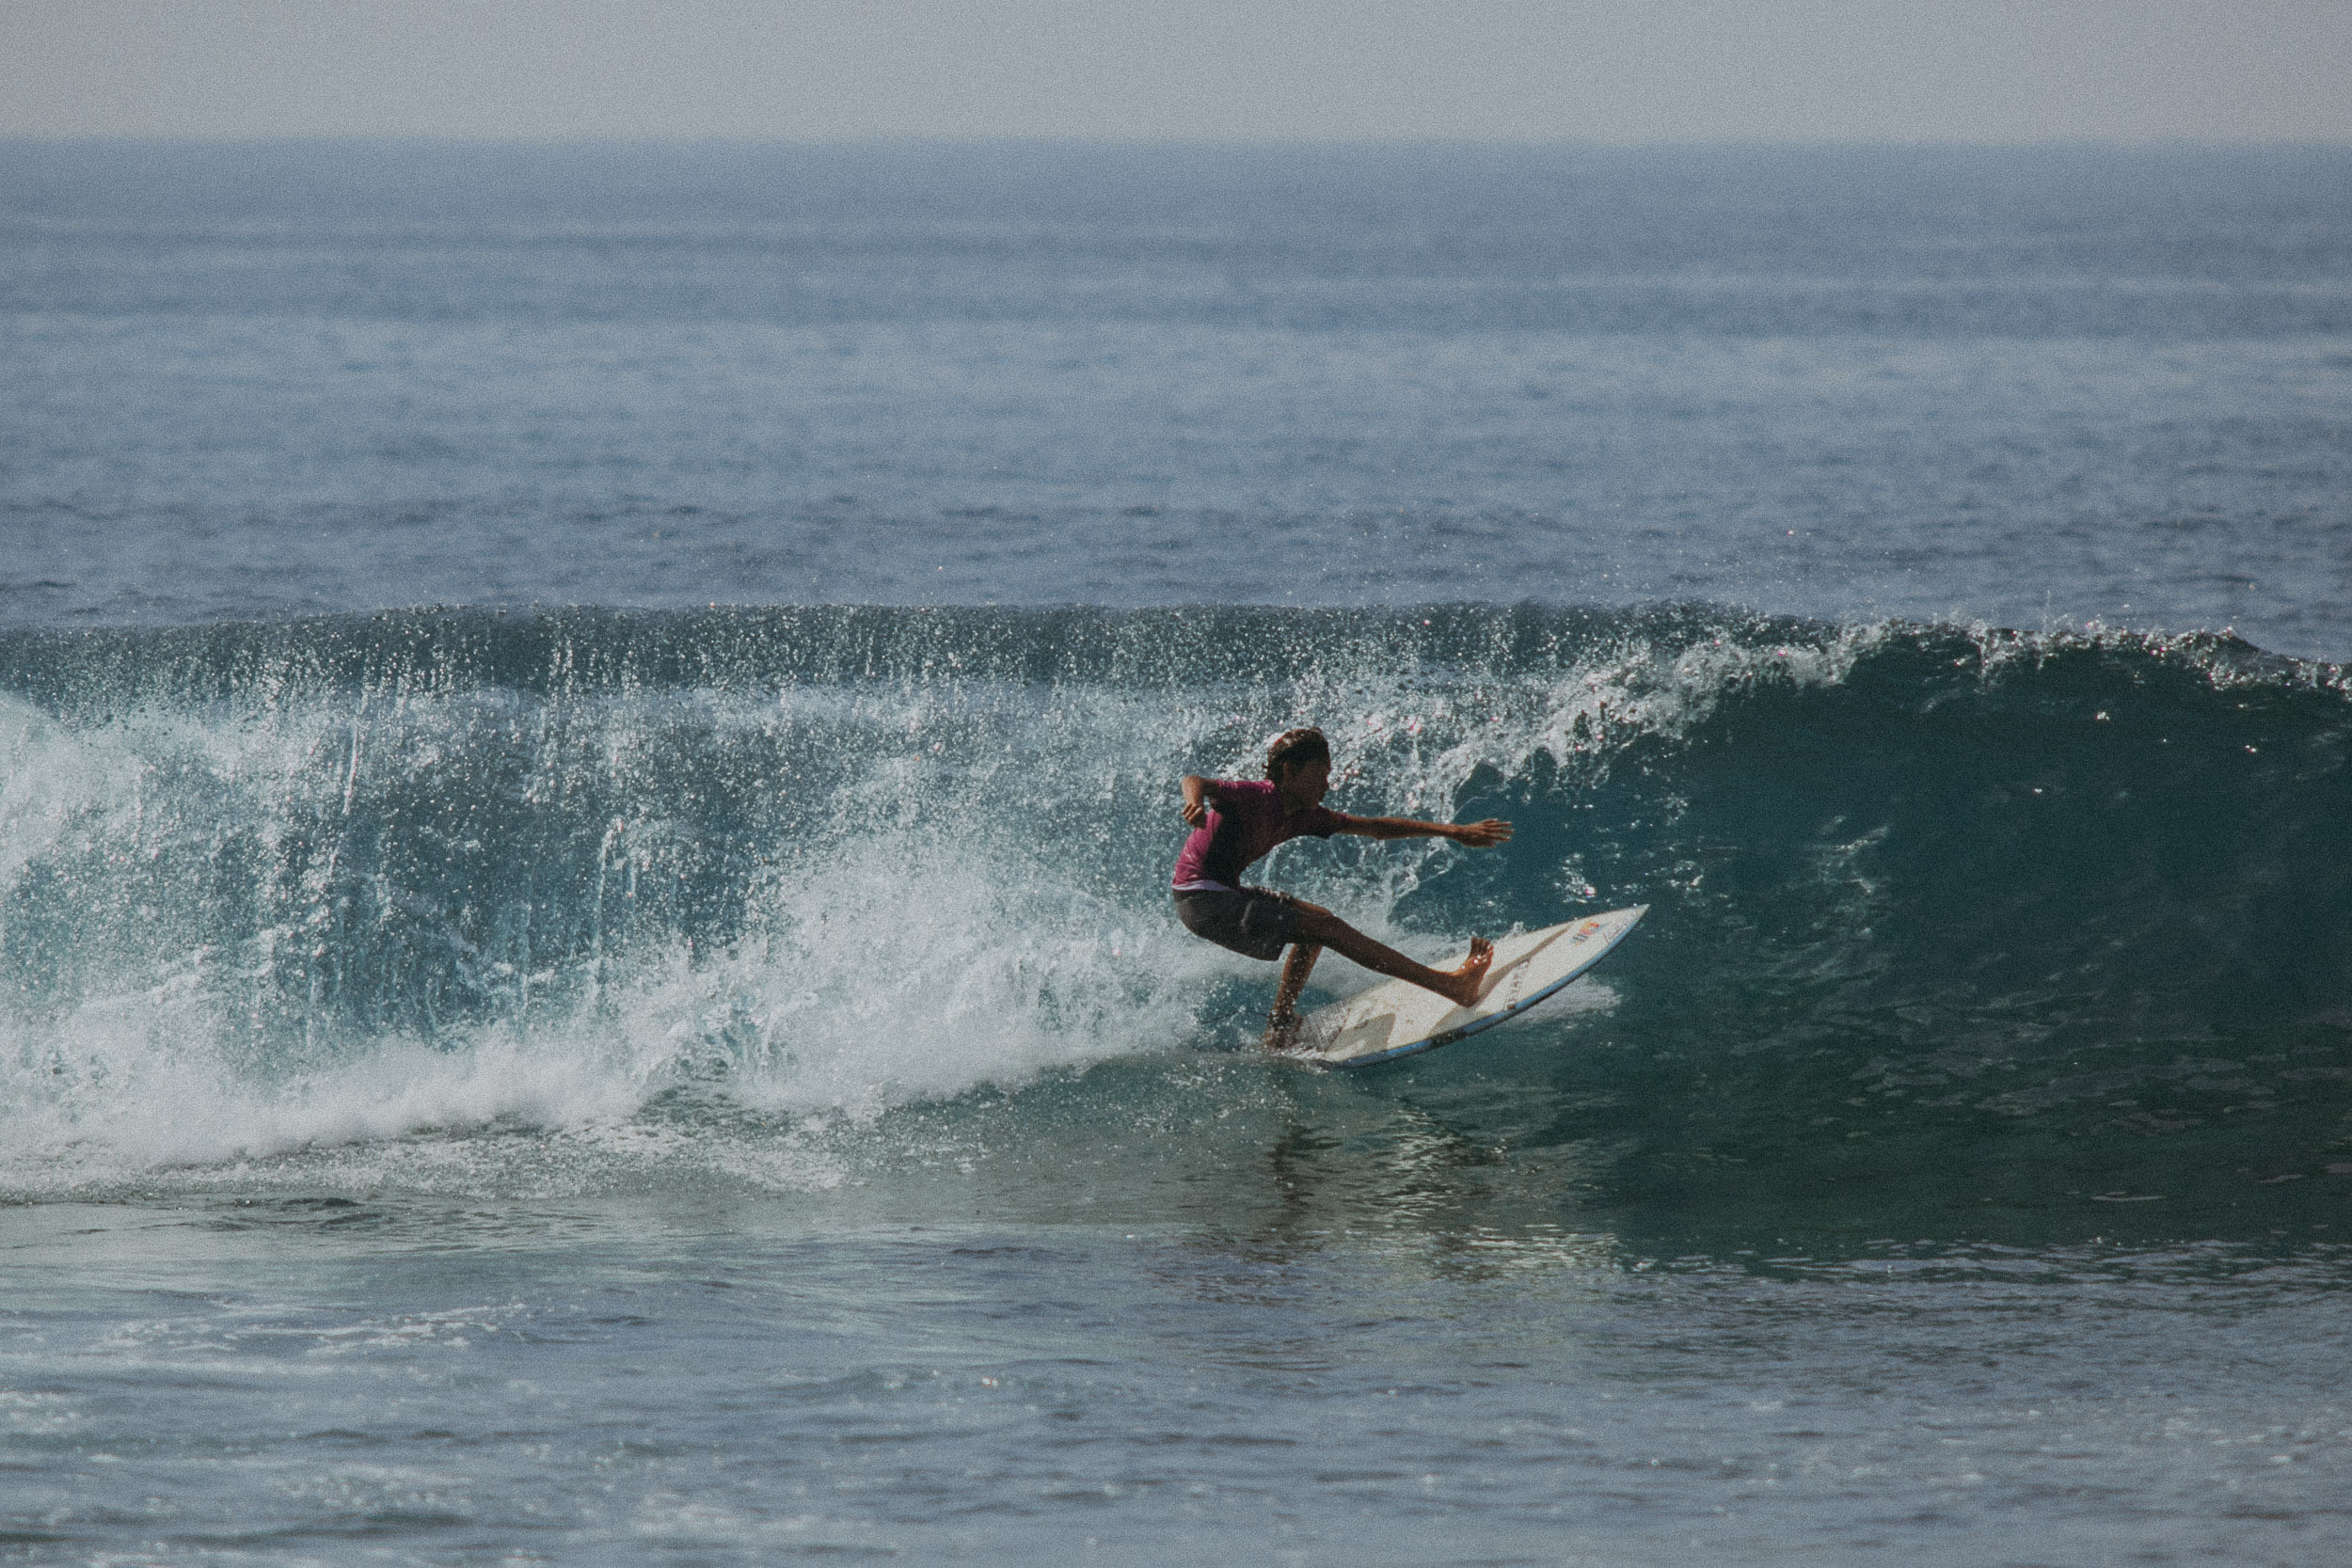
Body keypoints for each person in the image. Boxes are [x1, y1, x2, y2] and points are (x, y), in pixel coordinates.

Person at [1172, 726, 1514, 1049]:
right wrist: (1194, 802)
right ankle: (1451, 985)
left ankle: (1279, 1026)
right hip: (1202, 899)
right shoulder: (1256, 796)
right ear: (1289, 771)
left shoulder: (1306, 815)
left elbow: (1376, 828)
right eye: (1319, 775)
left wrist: (1454, 832)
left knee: (1318, 922)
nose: (1327, 785)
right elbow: (1194, 781)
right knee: (1326, 929)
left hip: (1221, 894)